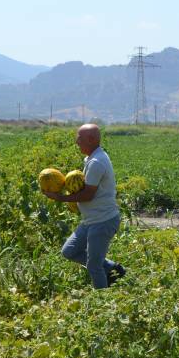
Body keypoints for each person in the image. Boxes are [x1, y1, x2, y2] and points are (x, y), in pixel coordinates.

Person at [42, 123, 126, 288]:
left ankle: (102, 302)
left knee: (94, 266)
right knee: (69, 251)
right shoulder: (90, 158)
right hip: (91, 220)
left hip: (102, 221)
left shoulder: (96, 162)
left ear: (91, 139)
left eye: (79, 138)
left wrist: (60, 197)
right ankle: (113, 269)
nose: (77, 141)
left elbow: (87, 195)